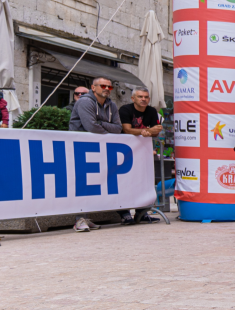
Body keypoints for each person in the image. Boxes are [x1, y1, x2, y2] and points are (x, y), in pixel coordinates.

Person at [68, 76, 122, 232]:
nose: (106, 89)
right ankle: (79, 219)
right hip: (80, 147)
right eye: (103, 86)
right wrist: (106, 127)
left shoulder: (111, 105)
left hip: (99, 148)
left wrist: (100, 124)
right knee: (81, 183)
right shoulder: (84, 102)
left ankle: (85, 217)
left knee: (92, 184)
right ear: (93, 87)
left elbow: (118, 128)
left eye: (109, 87)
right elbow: (91, 127)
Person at [118, 87, 164, 225]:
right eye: (140, 97)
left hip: (143, 152)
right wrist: (146, 131)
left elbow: (156, 132)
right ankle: (124, 214)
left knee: (144, 182)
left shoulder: (151, 111)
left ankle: (142, 213)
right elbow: (126, 130)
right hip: (123, 151)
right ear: (133, 98)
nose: (143, 99)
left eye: (146, 97)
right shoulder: (125, 110)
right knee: (124, 182)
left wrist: (147, 131)